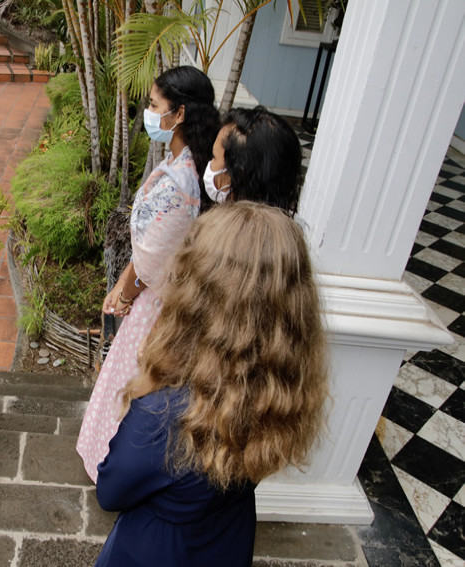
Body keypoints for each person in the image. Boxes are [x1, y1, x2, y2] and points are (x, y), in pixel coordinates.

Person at [95, 202, 328, 566]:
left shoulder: (165, 413)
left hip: (160, 552)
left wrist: (147, 381)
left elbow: (110, 491)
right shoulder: (275, 386)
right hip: (226, 537)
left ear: (199, 296)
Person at [76, 66, 220, 482]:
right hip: (155, 292)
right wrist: (125, 280)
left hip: (157, 302)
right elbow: (149, 246)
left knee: (134, 383)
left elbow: (154, 257)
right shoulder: (182, 164)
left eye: (155, 106)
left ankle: (116, 467)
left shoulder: (181, 182)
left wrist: (123, 293)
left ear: (179, 114)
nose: (148, 113)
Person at [201, 105, 302, 213]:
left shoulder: (227, 227)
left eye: (215, 157)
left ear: (239, 171)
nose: (210, 164)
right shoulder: (281, 223)